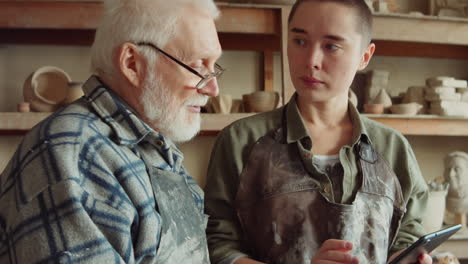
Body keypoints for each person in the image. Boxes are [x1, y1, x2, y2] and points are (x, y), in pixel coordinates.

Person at [204, 0, 432, 263]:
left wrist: (411, 257)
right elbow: (217, 245)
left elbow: (407, 237)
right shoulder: (240, 141)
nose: (311, 60)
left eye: (331, 46)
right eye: (300, 41)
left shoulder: (393, 148)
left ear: (364, 57)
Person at [0, 0, 222, 263]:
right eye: (198, 68)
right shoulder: (73, 155)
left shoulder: (150, 144)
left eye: (214, 67)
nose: (212, 89)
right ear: (132, 64)